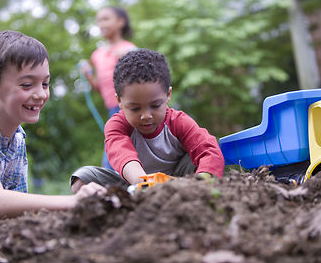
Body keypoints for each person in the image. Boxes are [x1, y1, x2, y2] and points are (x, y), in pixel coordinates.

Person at [0, 30, 106, 233]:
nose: (41, 94)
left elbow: (16, 206)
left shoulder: (15, 136)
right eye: (27, 85)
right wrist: (74, 202)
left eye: (45, 83)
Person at [70, 49, 225, 193]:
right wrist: (145, 184)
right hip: (135, 186)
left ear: (168, 95)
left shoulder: (178, 121)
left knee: (204, 158)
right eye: (135, 109)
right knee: (82, 177)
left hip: (182, 182)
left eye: (155, 105)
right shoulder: (116, 125)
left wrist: (201, 182)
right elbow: (123, 155)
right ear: (120, 101)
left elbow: (209, 150)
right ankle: (117, 211)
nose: (146, 116)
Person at [80, 6, 136, 169]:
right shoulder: (97, 55)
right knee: (117, 152)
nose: (101, 24)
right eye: (98, 21)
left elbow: (141, 82)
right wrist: (89, 76)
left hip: (131, 108)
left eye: (105, 19)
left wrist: (127, 59)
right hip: (112, 109)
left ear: (120, 22)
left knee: (114, 154)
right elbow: (101, 88)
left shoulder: (129, 48)